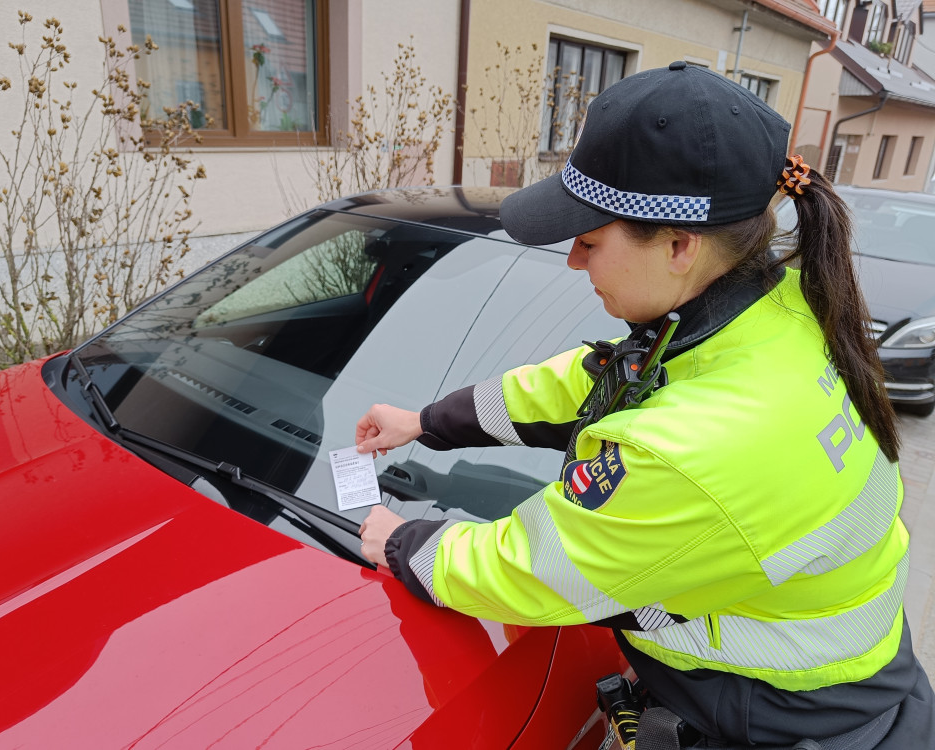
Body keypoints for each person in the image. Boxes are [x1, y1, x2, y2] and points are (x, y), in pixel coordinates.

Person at [355, 61, 934, 748]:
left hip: (784, 720)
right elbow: (598, 380)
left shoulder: (701, 448)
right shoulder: (771, 309)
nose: (574, 261)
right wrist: (426, 422)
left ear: (681, 246)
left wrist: (402, 542)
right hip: (843, 670)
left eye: (591, 241)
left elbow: (534, 568)